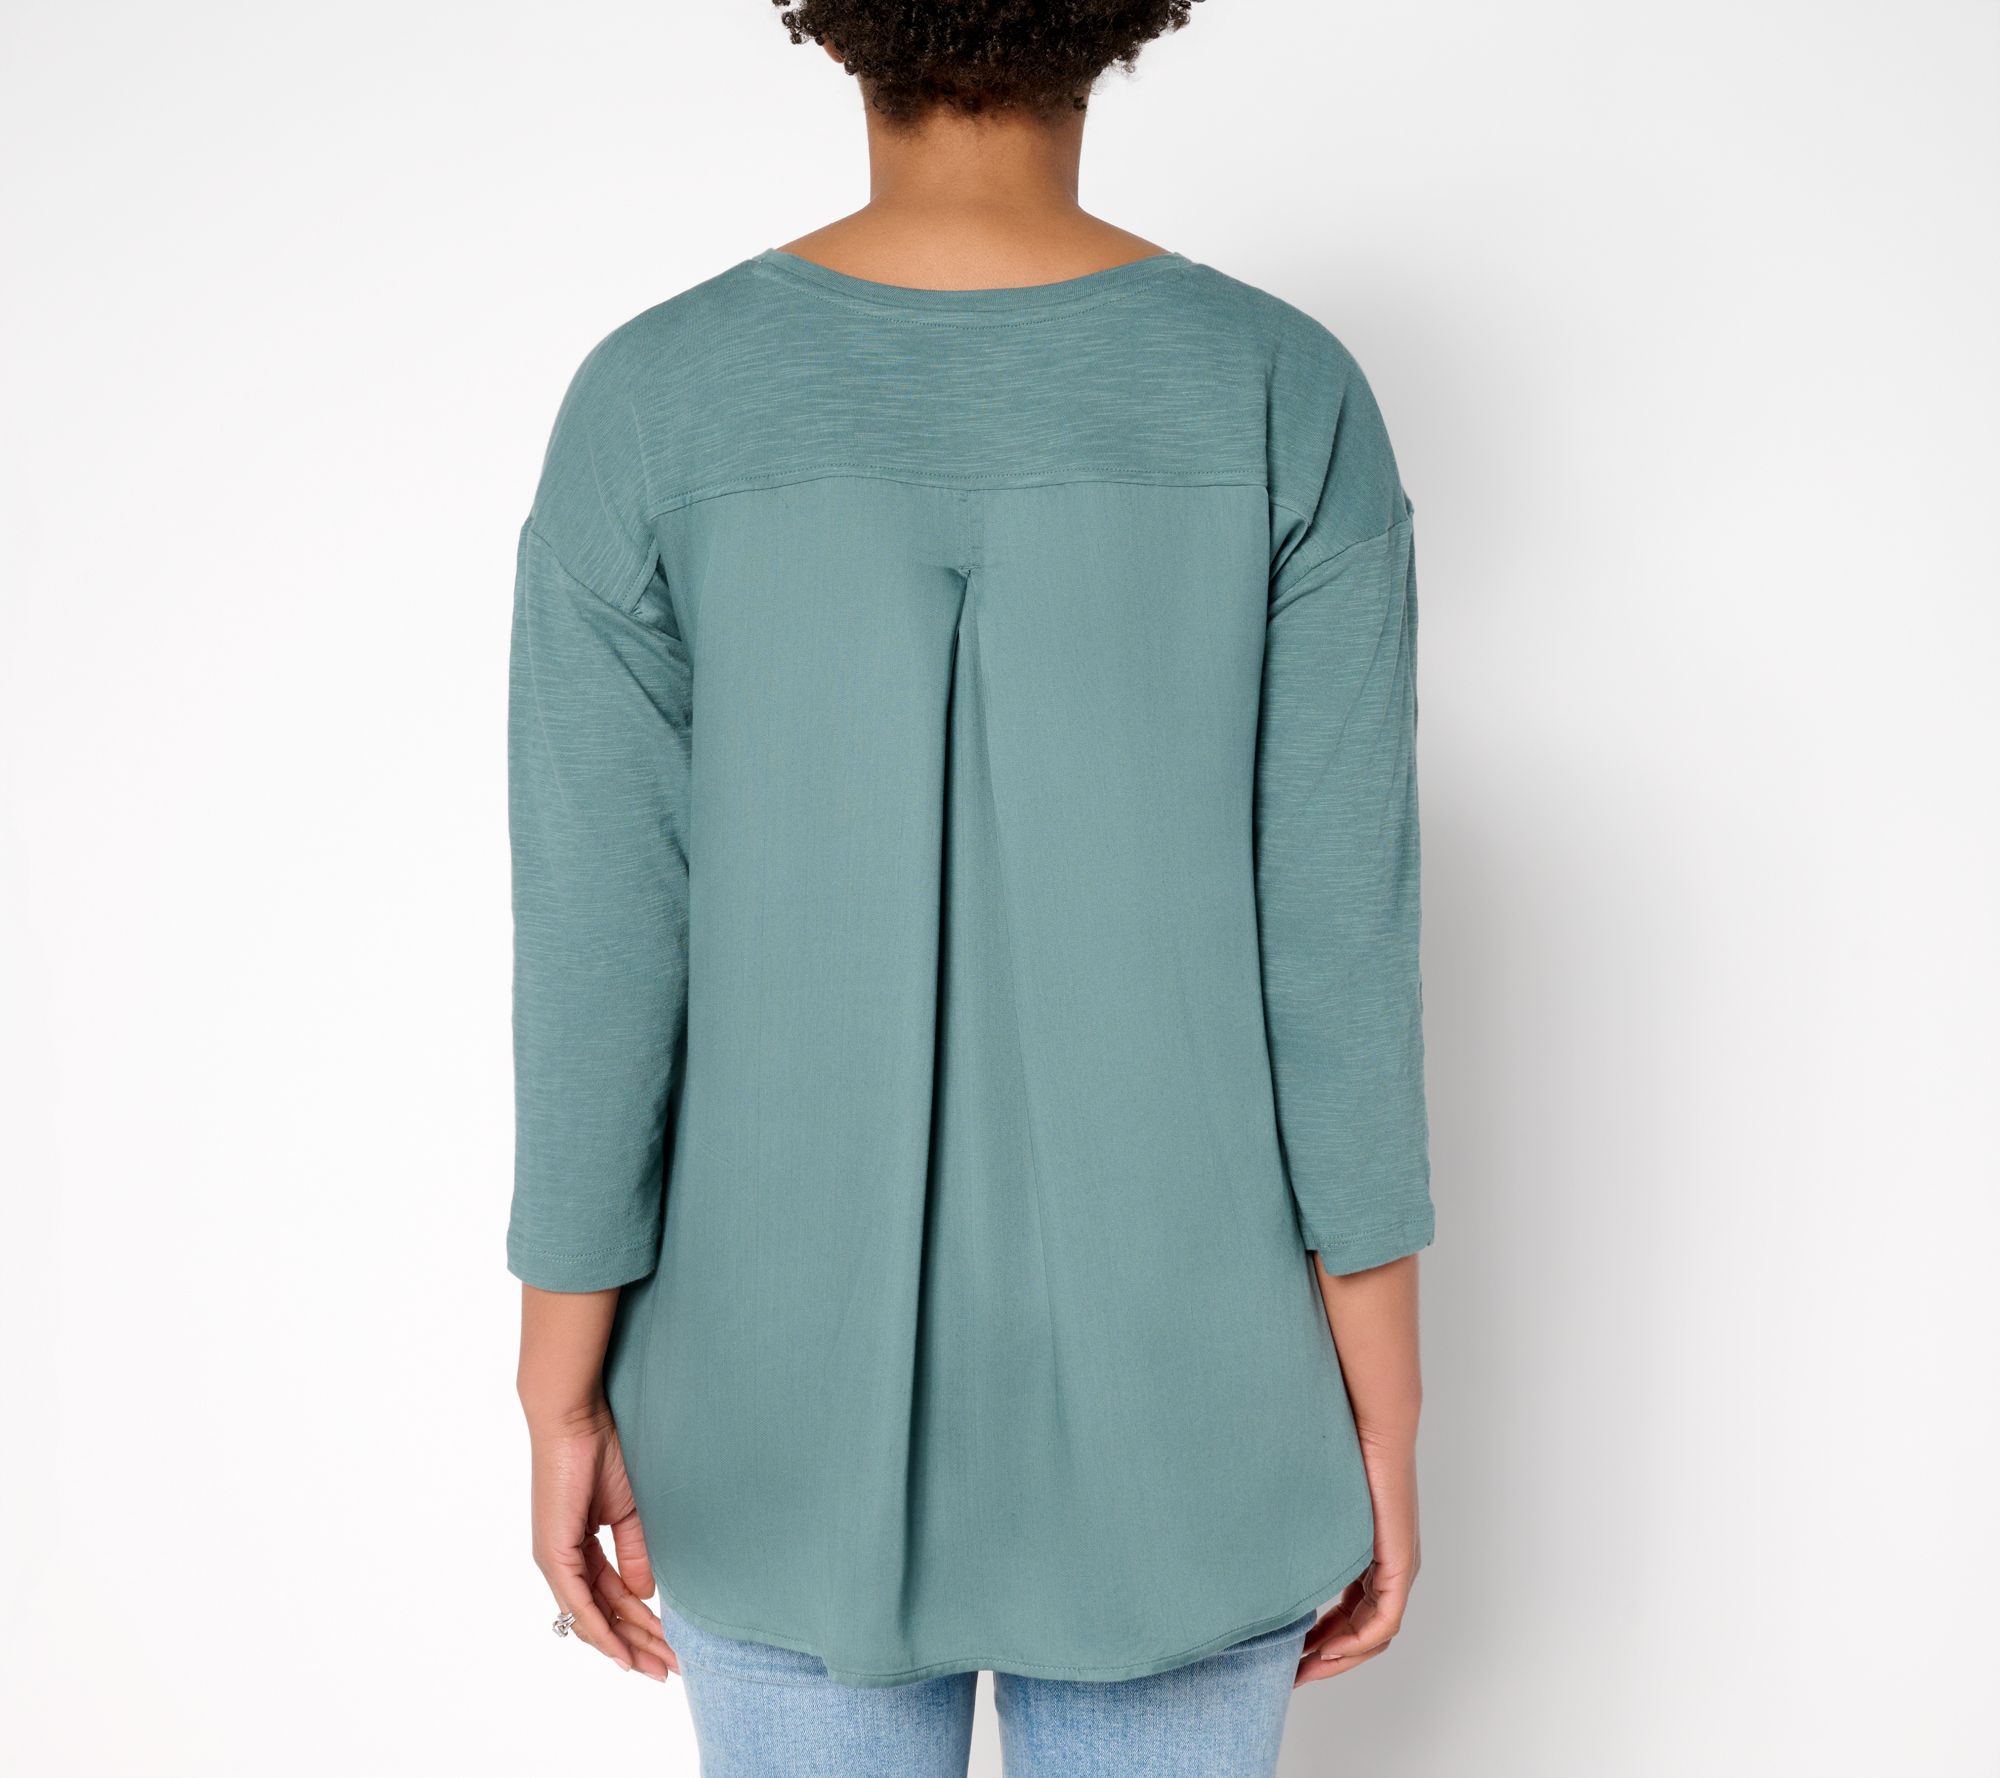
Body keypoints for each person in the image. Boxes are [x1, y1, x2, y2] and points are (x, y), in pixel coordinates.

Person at [507, 3, 1433, 1771]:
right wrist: (1384, 1410)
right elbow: (1339, 960)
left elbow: (599, 958)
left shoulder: (652, 402)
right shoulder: (1277, 389)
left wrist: (560, 1381)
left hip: (762, 1411)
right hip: (1199, 1411)